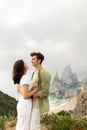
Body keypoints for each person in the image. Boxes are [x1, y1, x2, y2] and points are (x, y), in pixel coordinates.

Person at [12, 59, 37, 130]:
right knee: (24, 127)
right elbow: (26, 96)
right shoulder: (26, 78)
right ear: (23, 67)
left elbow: (18, 90)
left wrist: (24, 94)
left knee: (20, 125)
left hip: (21, 104)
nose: (26, 63)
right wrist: (36, 90)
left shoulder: (20, 78)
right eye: (24, 63)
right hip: (25, 105)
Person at [30, 52, 51, 130]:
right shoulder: (34, 72)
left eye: (33, 59)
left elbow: (46, 91)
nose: (31, 61)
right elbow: (34, 87)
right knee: (33, 125)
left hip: (38, 104)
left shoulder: (44, 73)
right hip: (32, 103)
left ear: (39, 60)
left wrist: (33, 95)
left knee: (35, 126)